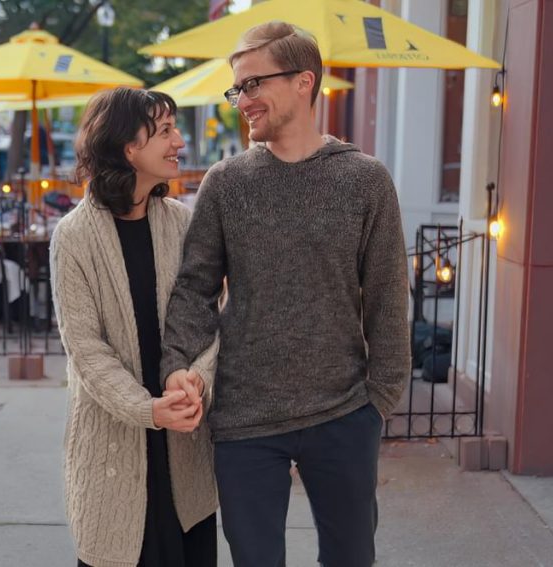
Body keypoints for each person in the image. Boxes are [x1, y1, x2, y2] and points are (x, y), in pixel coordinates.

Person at [160, 22, 412, 567]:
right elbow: (194, 291)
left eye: (253, 85)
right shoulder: (226, 183)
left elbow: (390, 296)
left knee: (351, 559)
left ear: (304, 81)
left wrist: (379, 401)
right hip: (244, 420)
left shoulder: (365, 181)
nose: (242, 101)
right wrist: (178, 365)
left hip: (343, 413)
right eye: (237, 89)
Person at [49, 87, 219, 567]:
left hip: (184, 444)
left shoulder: (185, 224)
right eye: (165, 131)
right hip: (112, 450)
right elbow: (85, 349)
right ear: (128, 147)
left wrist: (197, 380)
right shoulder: (74, 237)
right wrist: (148, 410)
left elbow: (213, 315)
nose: (178, 142)